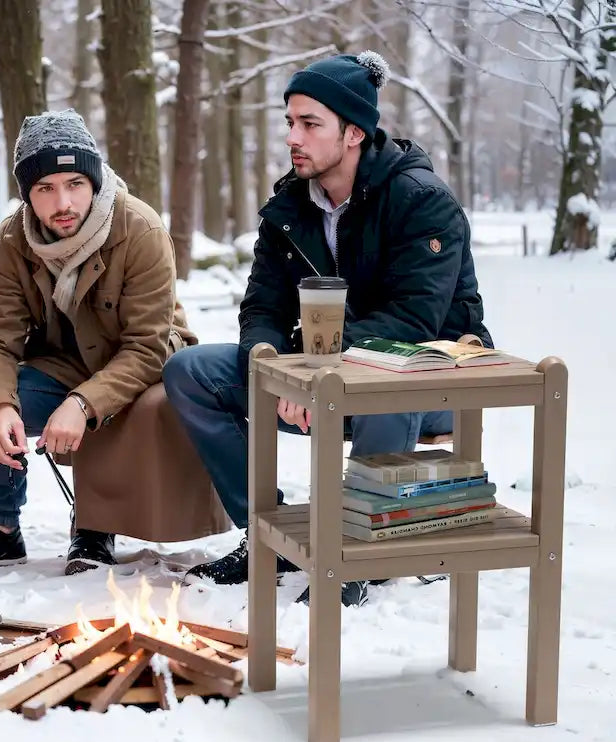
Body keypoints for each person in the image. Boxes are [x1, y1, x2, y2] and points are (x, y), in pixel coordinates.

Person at [163, 51, 492, 607]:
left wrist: (314, 377)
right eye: (290, 122)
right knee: (191, 371)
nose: (294, 136)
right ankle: (263, 531)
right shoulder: (288, 206)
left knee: (391, 383)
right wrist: (274, 365)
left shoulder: (422, 201)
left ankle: (356, 551)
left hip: (427, 384)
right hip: (313, 372)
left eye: (310, 124)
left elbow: (412, 322)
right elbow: (261, 307)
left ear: (354, 132)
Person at [0, 108, 198, 575]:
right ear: (28, 195)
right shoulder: (14, 238)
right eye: (44, 189)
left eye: (74, 183)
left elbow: (147, 346)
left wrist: (82, 404)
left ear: (93, 182)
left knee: (114, 407)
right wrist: (0, 406)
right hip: (64, 360)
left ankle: (95, 526)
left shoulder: (140, 229)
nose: (63, 202)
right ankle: (0, 529)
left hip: (147, 360)